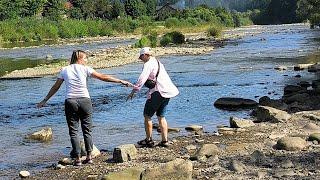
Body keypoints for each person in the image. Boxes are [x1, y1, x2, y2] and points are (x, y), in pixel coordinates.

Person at [37, 50, 133, 166]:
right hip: (85, 101)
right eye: (86, 58)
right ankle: (89, 157)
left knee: (73, 131)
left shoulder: (64, 70)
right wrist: (120, 81)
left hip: (71, 101)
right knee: (87, 130)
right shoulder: (86, 69)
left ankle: (77, 159)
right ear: (80, 58)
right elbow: (103, 77)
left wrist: (45, 100)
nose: (86, 60)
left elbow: (56, 87)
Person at [127, 47, 179, 147]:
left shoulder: (148, 64)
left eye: (141, 57)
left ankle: (149, 140)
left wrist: (134, 91)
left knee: (147, 116)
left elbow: (142, 79)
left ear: (145, 55)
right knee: (161, 116)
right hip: (167, 91)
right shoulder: (157, 62)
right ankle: (165, 141)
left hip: (157, 92)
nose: (141, 59)